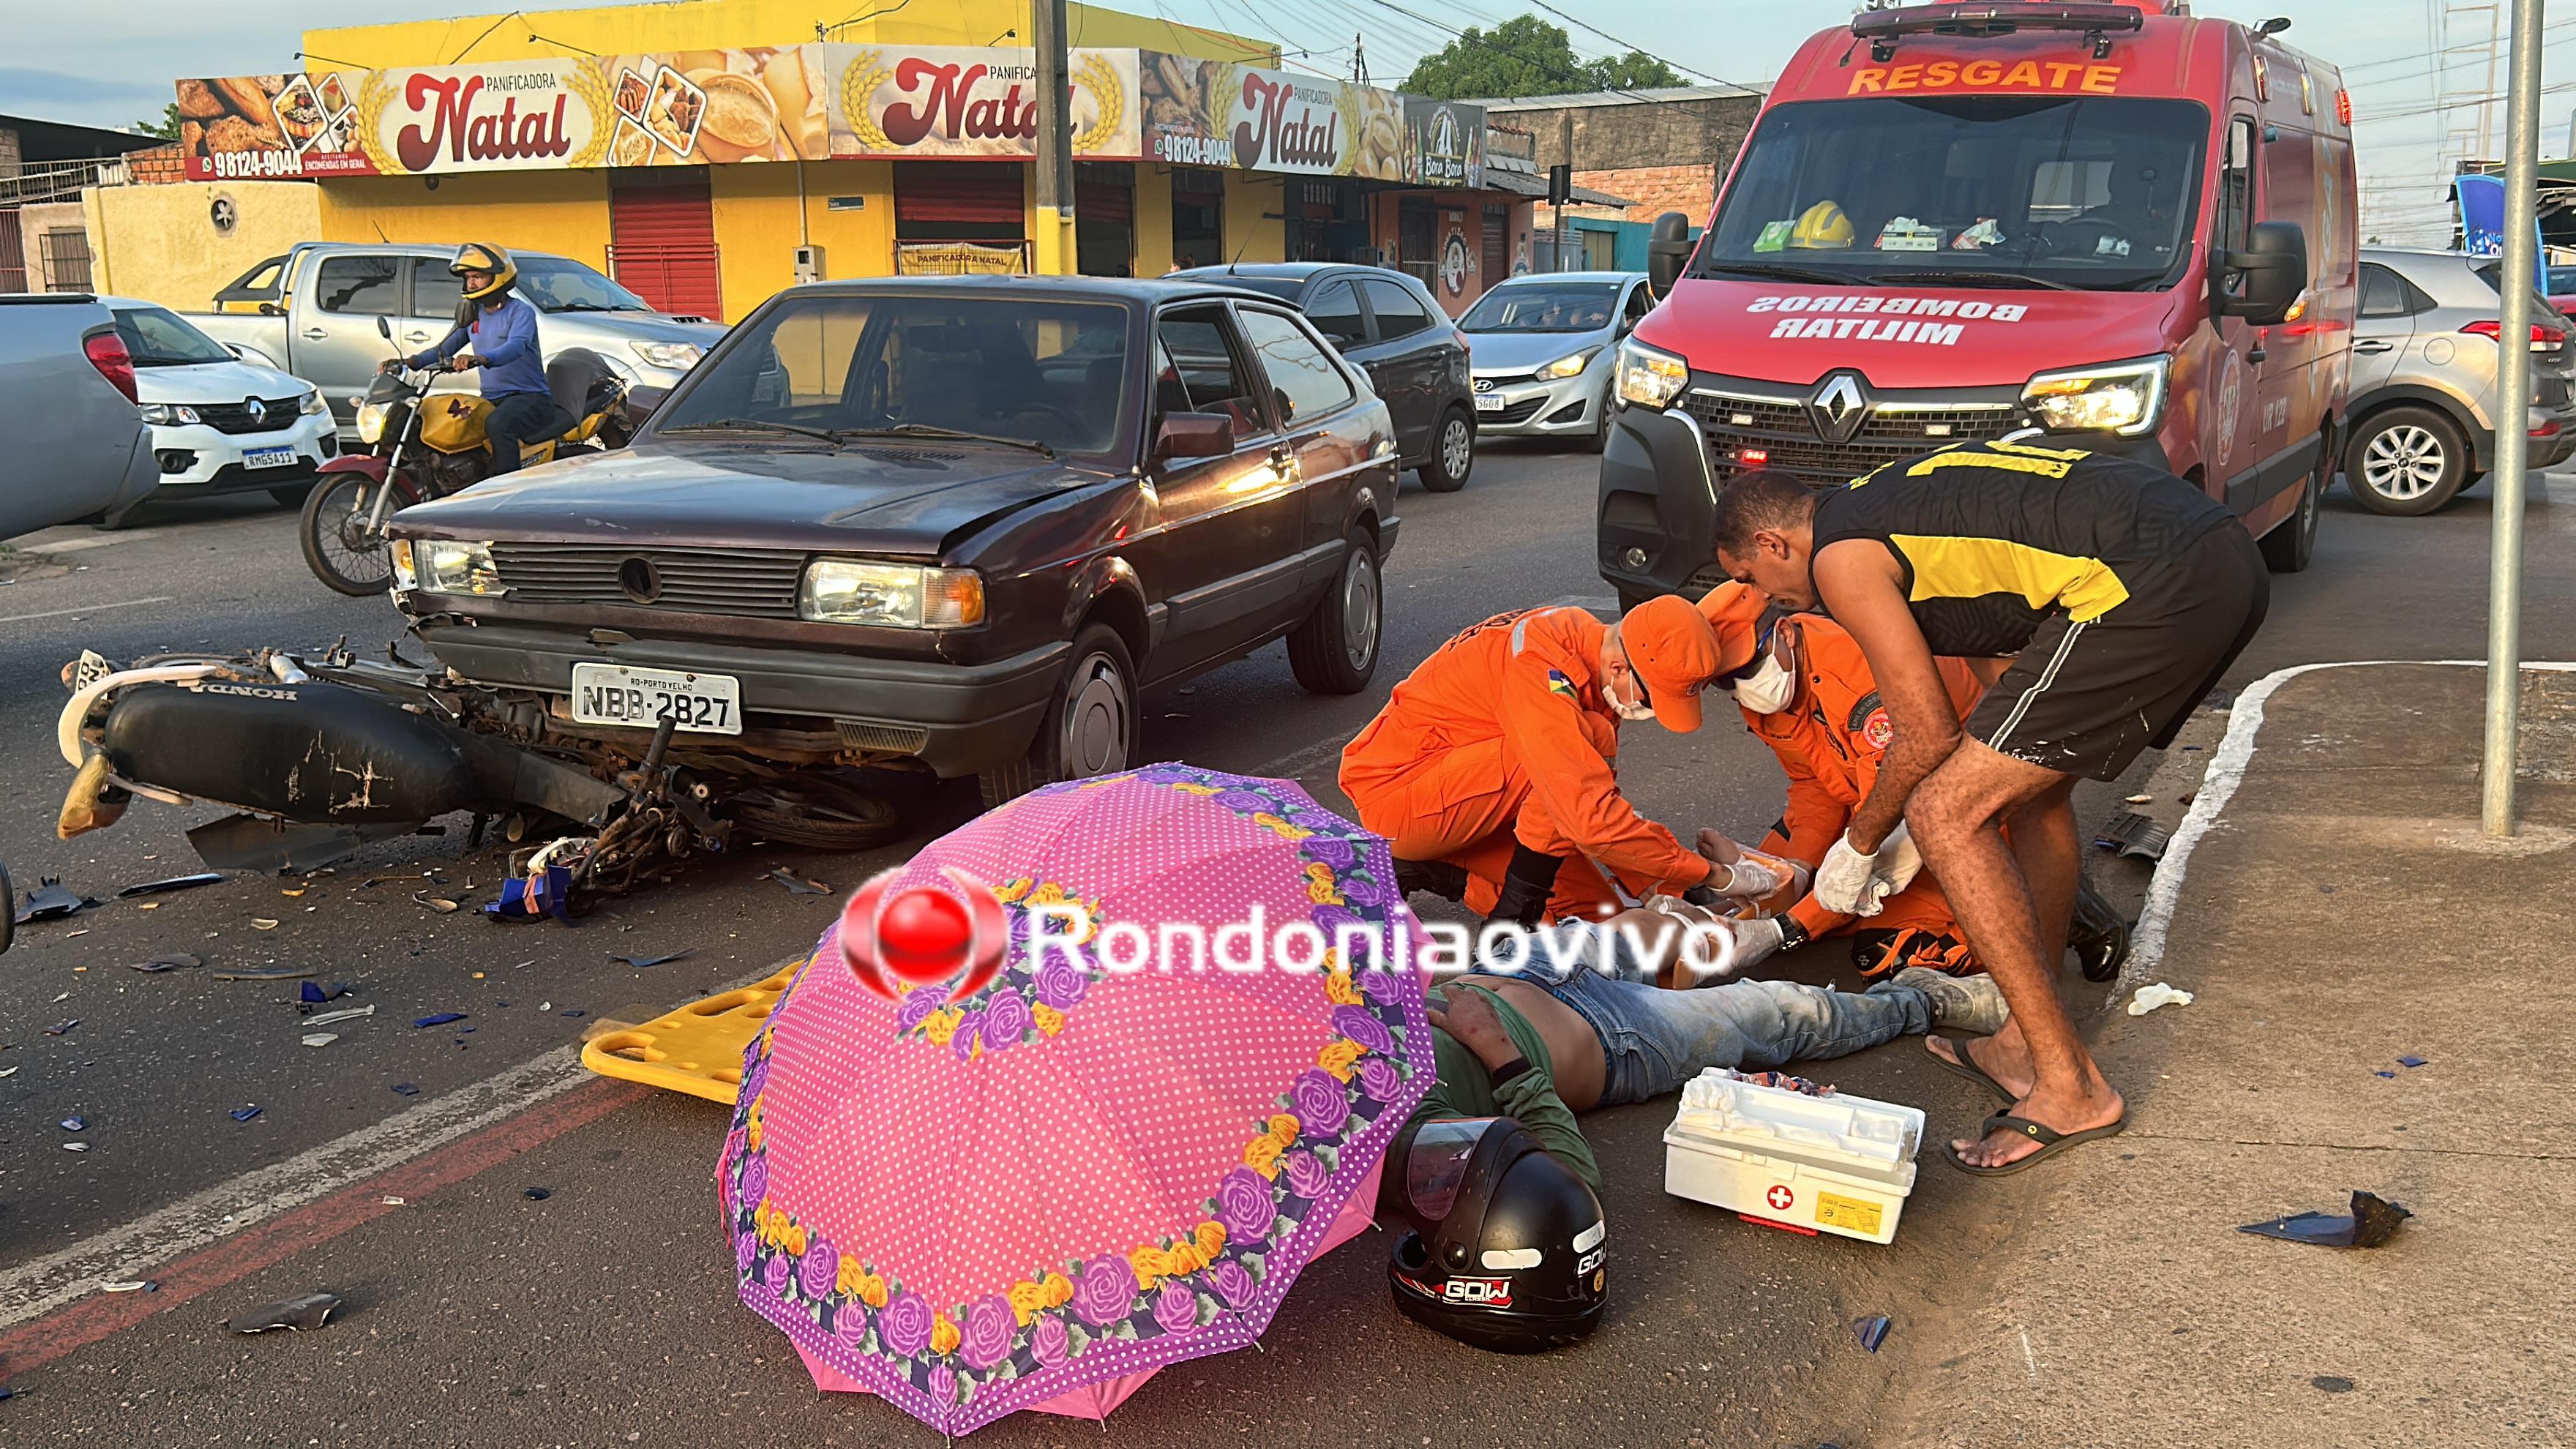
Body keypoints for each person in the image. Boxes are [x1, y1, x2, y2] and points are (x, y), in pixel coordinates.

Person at [1710, 443, 2267, 1174]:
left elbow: (1927, 730)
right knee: (2032, 794)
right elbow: (1999, 677)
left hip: (2154, 580)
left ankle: (2070, 1089)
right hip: (2213, 557)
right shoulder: (1896, 511)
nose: (1762, 597)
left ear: (1773, 542)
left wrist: (1861, 842)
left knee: (1946, 813)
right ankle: (2023, 1038)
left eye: (1752, 577)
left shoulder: (1841, 558)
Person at [1401, 903, 2014, 1197]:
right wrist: (1500, 1052)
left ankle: (1720, 931)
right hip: (1614, 1037)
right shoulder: (1376, 1139)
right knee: (1782, 1012)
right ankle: (1922, 1001)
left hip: (1506, 973)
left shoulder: (1317, 1022)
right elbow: (1570, 1180)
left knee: (1648, 925)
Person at [1701, 585, 2136, 984]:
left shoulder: (1860, 675)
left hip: (1952, 803)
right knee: (1787, 869)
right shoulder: (1773, 684)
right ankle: (2037, 883)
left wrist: (1788, 929)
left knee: (1890, 949)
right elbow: (1814, 787)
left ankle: (2059, 901)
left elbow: (1891, 820)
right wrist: (1796, 870)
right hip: (1883, 801)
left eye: (1747, 668)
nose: (1742, 689)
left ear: (1785, 633)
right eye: (1726, 682)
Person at [1339, 595, 1760, 929]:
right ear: (1620, 666)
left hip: (1474, 796)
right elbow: (1587, 818)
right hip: (1403, 797)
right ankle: (1493, 904)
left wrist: (1665, 886)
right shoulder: (1543, 668)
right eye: (1652, 699)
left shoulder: (1589, 650)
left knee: (1594, 920)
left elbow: (1588, 800)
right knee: (1587, 743)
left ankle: (1439, 873)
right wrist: (1706, 874)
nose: (1649, 713)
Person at [386, 243, 566, 475]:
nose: (471, 284)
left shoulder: (520, 312)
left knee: (498, 425)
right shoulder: (473, 313)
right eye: (468, 277)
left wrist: (480, 358)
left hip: (530, 398)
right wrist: (408, 362)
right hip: (492, 399)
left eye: (478, 277)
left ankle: (509, 488)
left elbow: (516, 347)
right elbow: (444, 349)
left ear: (499, 277)